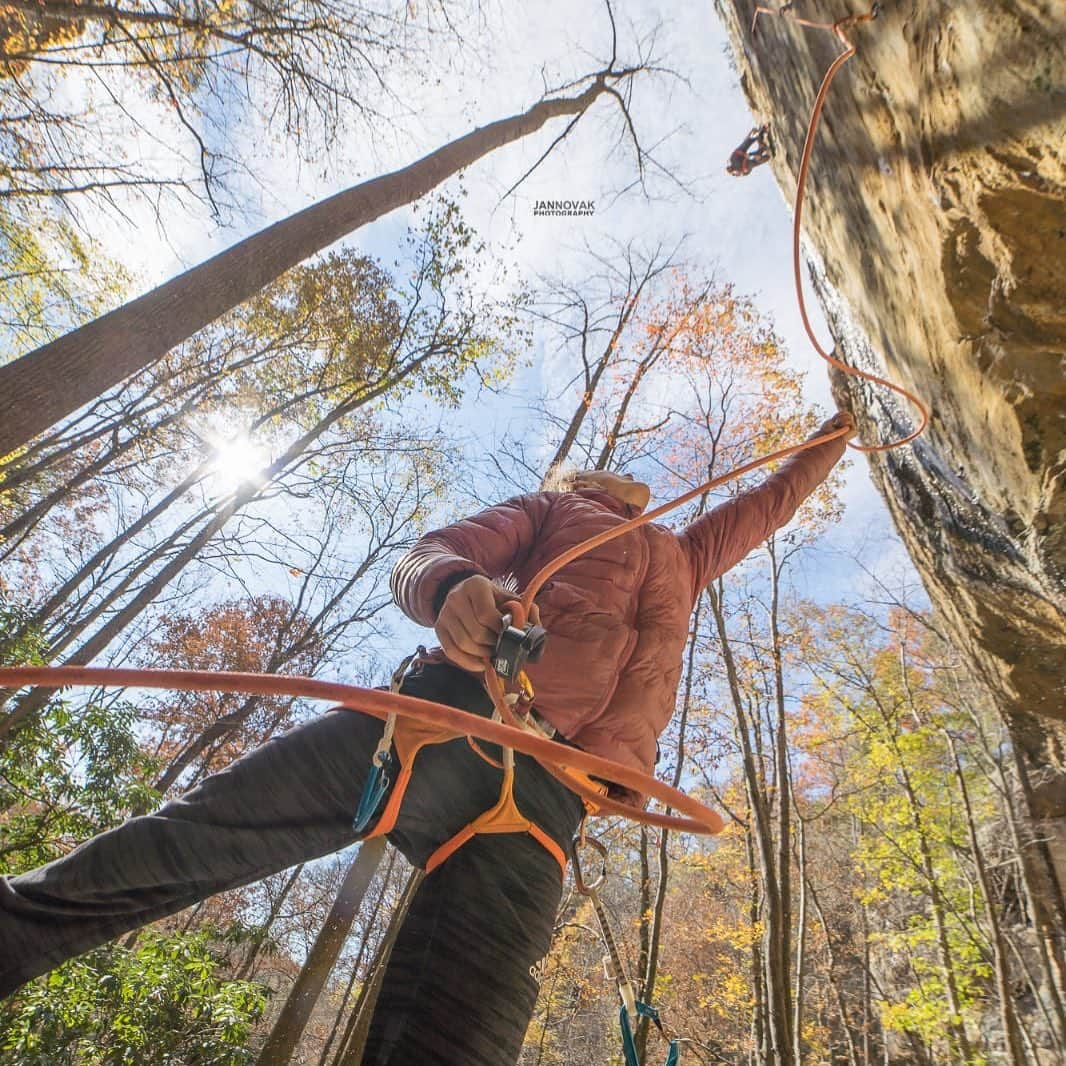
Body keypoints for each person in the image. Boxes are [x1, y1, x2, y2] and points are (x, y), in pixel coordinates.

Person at [0, 411, 856, 1064]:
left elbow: (768, 502)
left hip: (555, 800)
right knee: (177, 845)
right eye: (610, 471)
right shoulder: (550, 509)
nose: (627, 479)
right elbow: (429, 553)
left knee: (465, 1040)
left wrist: (835, 435)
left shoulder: (685, 553)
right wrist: (452, 587)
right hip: (441, 721)